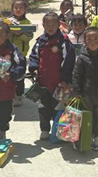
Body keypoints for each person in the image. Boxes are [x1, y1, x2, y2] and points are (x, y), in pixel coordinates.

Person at [28, 12, 76, 141]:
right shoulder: (40, 41)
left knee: (57, 107)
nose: (50, 27)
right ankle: (44, 130)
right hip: (42, 82)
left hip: (58, 83)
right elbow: (34, 56)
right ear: (43, 25)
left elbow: (68, 61)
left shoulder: (64, 42)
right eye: (47, 24)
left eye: (53, 24)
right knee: (43, 107)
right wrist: (33, 68)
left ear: (58, 25)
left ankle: (56, 131)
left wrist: (65, 79)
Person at [72, 27, 98, 151]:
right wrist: (77, 91)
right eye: (89, 39)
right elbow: (76, 75)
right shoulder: (82, 57)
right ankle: (87, 137)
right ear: (85, 41)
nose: (93, 42)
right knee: (87, 117)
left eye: (96, 39)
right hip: (86, 94)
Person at [4, 0, 33, 107]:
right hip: (7, 54)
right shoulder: (7, 21)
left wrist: (20, 34)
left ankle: (19, 95)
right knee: (6, 74)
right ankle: (8, 94)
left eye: (21, 7)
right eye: (16, 7)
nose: (18, 9)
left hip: (20, 54)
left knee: (20, 75)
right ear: (12, 9)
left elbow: (29, 37)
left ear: (25, 9)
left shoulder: (27, 23)